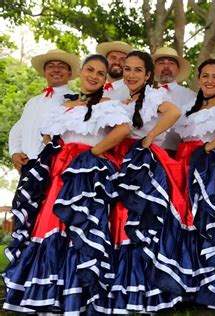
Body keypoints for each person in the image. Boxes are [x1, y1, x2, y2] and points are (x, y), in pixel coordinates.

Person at [3, 54, 131, 314]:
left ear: (105, 80)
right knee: (51, 222)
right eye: (90, 70)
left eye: (100, 73)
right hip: (60, 169)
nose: (94, 76)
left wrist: (94, 152)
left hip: (87, 171)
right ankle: (52, 291)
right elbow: (50, 136)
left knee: (81, 225)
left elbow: (122, 130)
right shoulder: (63, 107)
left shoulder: (107, 104)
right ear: (81, 72)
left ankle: (83, 292)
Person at [96, 50, 182, 314]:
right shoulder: (120, 99)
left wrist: (149, 137)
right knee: (117, 220)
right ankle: (120, 285)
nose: (131, 74)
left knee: (139, 220)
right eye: (128, 69)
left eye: (137, 70)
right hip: (120, 159)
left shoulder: (155, 96)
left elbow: (174, 112)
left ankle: (145, 288)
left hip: (143, 162)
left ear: (147, 75)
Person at [158, 58, 215, 308]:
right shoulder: (190, 105)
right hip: (184, 165)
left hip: (207, 164)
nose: (209, 81)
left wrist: (210, 145)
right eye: (205, 76)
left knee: (209, 219)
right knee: (186, 220)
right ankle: (190, 284)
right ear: (198, 78)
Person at [9, 48, 80, 174]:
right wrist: (15, 152)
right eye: (51, 66)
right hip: (28, 166)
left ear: (69, 73)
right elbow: (18, 129)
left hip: (55, 168)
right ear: (45, 71)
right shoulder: (33, 102)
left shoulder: (74, 100)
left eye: (61, 66)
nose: (56, 70)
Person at [153, 47, 196, 152]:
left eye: (171, 63)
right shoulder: (144, 93)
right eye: (161, 63)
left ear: (178, 69)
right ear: (153, 69)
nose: (166, 66)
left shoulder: (191, 96)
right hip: (145, 152)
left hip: (175, 154)